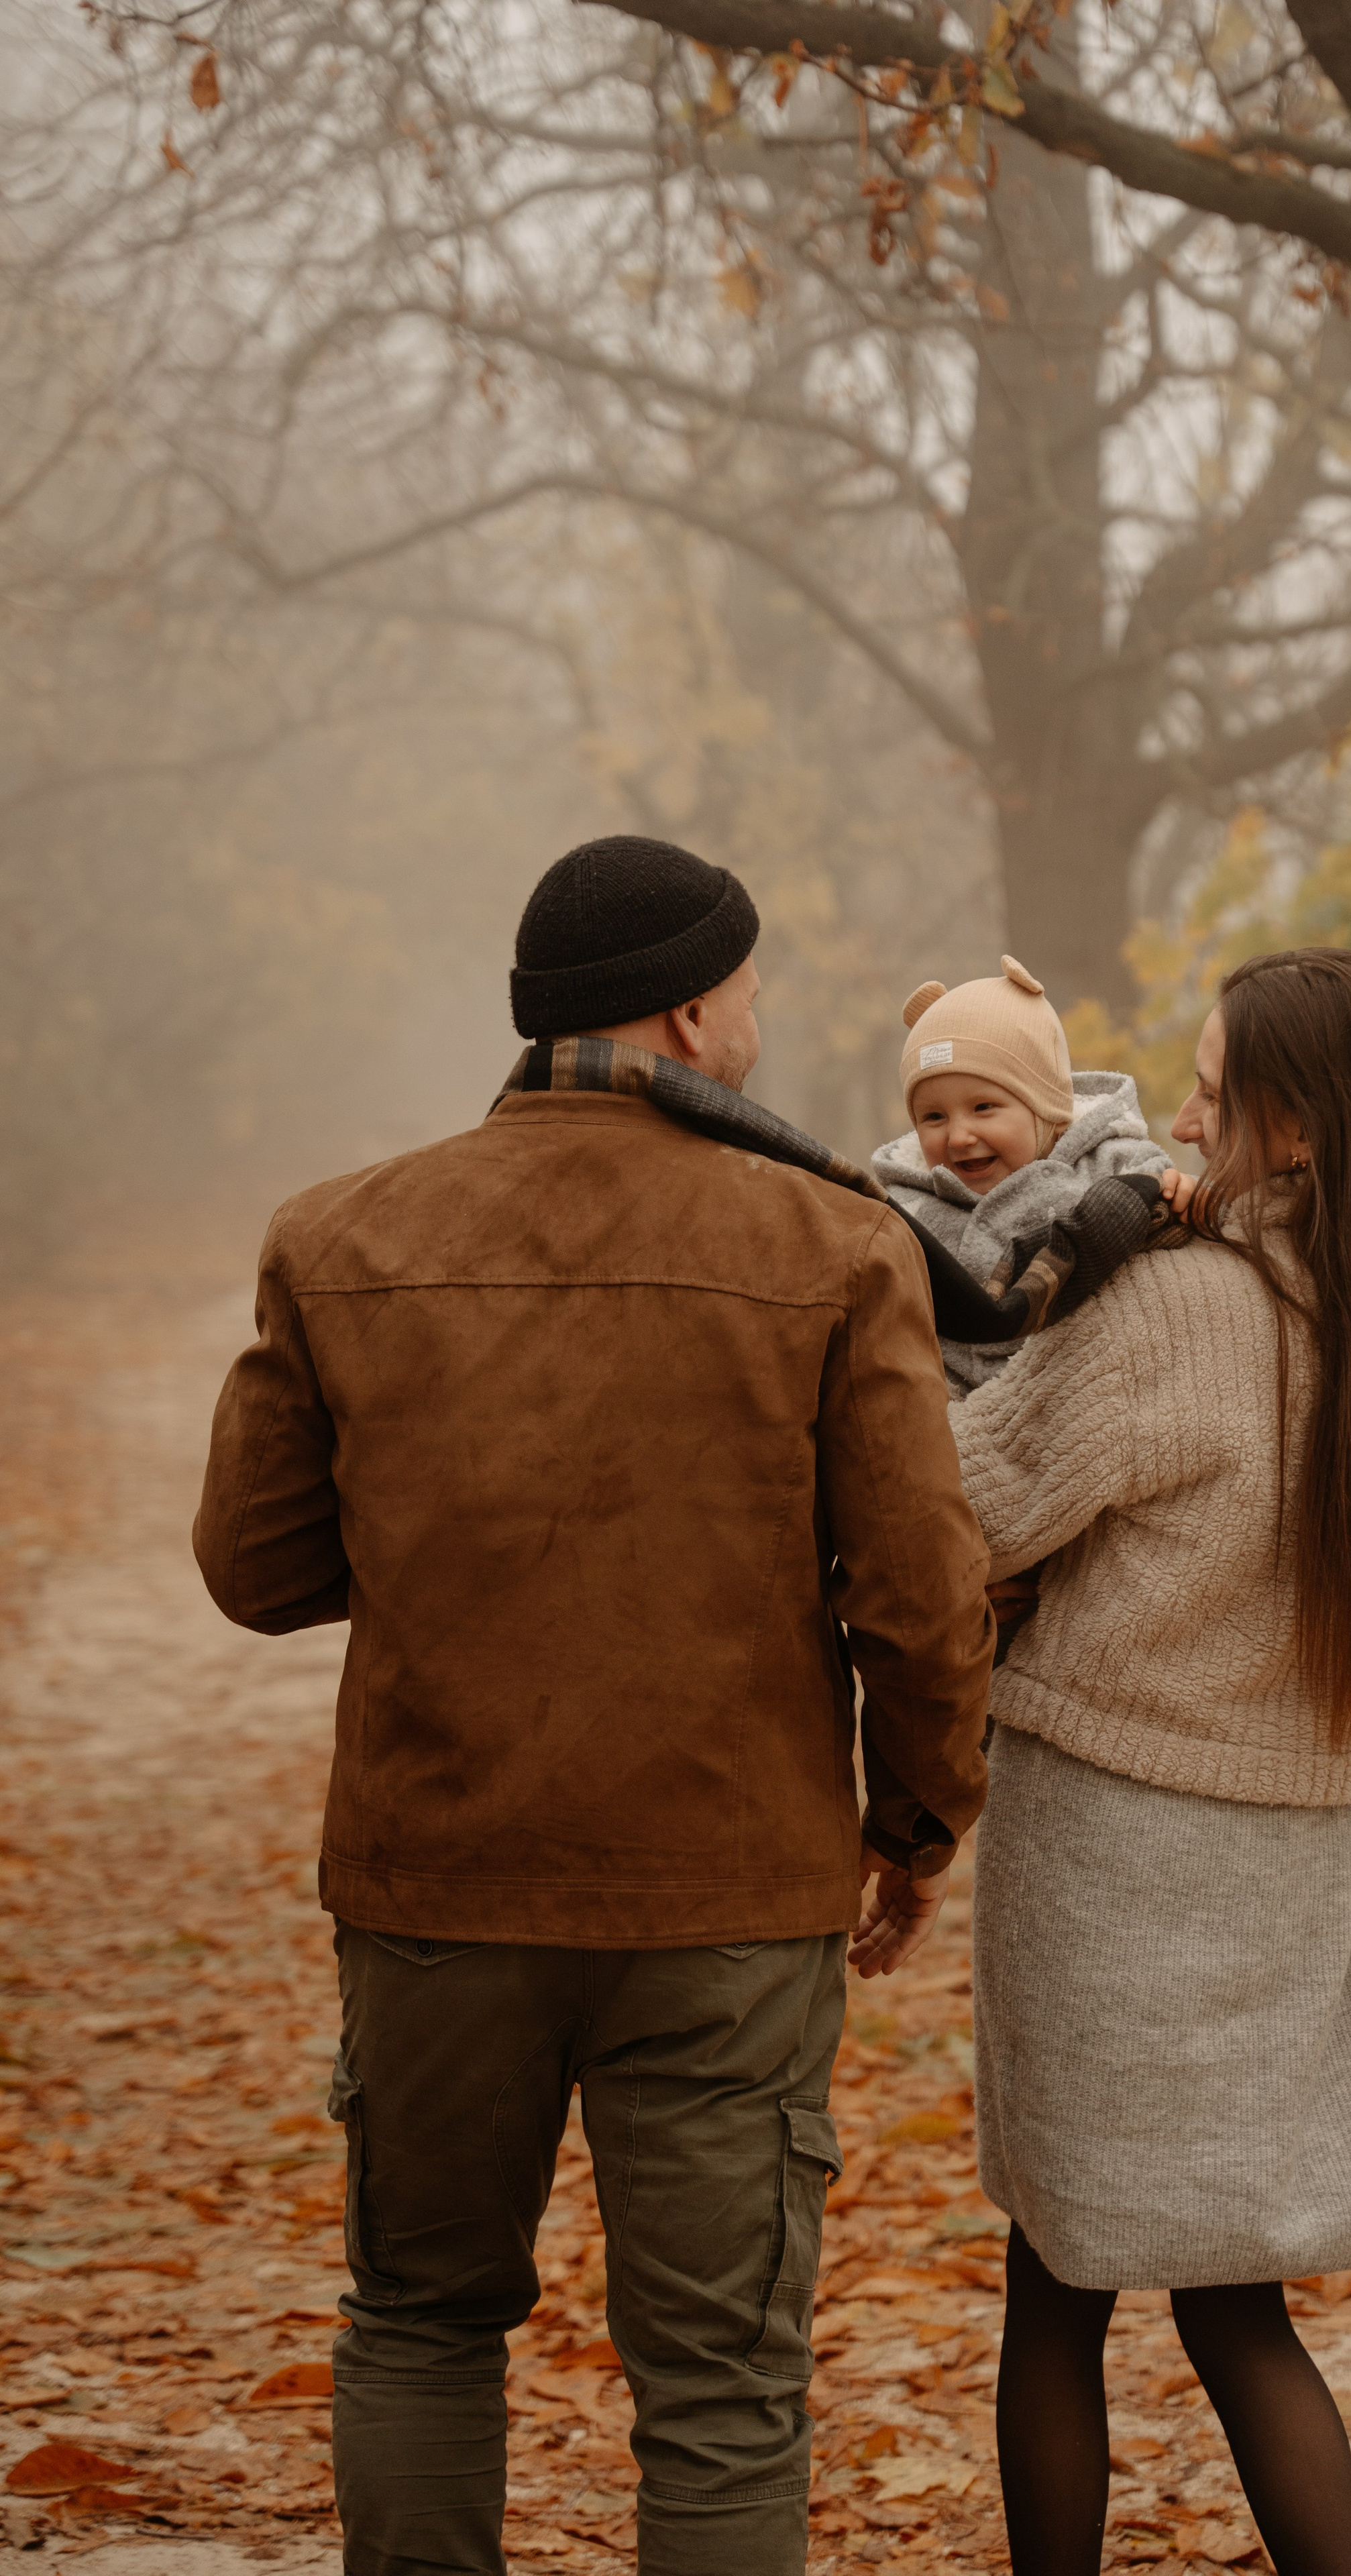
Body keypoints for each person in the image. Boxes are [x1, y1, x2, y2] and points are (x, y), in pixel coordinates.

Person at [192, 835, 995, 2576]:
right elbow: (925, 1600)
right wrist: (917, 1824)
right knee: (720, 2388)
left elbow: (254, 1568)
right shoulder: (839, 1248)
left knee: (419, 2321)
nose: (761, 1017)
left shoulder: (337, 1240)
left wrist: (450, 1552)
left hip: (438, 1899)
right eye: (754, 987)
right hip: (726, 1905)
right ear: (695, 1010)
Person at [950, 947, 1351, 2576]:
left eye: (1201, 1085)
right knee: (1231, 2303)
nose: (1171, 1112)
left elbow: (958, 1506)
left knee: (1055, 2280)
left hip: (1110, 1856)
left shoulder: (1177, 1309)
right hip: (1291, 1869)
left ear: (1301, 1128)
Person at [871, 955, 1171, 1399]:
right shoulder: (904, 1208)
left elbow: (1170, 1219)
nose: (958, 1136)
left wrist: (1176, 1198)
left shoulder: (1113, 1166)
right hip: (955, 1421)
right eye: (933, 1117)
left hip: (1099, 1396)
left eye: (983, 1107)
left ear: (1047, 1108)